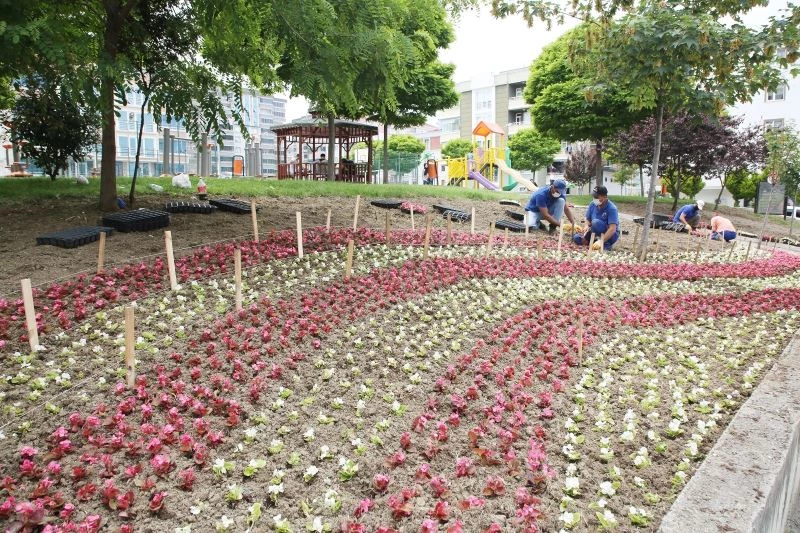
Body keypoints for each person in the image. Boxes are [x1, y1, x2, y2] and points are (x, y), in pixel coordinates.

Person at [573, 186, 620, 250]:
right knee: (577, 238)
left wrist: (601, 241)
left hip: (608, 234)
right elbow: (588, 219)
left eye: (596, 197)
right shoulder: (592, 204)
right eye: (594, 197)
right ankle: (594, 241)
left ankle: (604, 243)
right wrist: (586, 226)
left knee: (595, 223)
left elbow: (612, 229)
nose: (594, 199)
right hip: (594, 232)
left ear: (605, 197)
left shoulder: (612, 209)